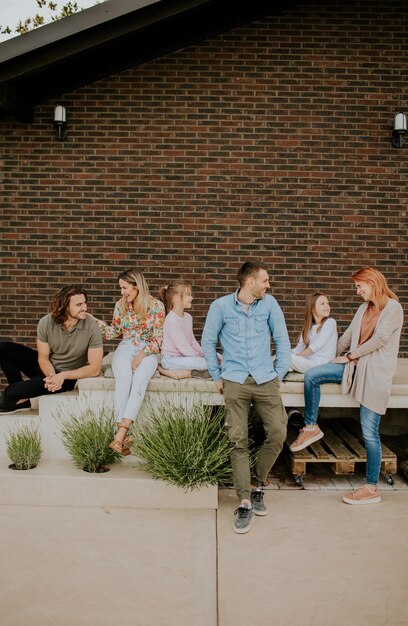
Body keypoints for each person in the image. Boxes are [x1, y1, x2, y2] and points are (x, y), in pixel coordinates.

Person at [290, 267, 403, 505]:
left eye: (359, 286)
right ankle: (311, 426)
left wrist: (350, 357)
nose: (358, 291)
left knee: (369, 432)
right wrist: (331, 356)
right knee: (314, 374)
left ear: (372, 283)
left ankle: (371, 488)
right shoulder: (363, 308)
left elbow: (380, 338)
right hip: (354, 367)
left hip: (374, 374)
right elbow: (347, 337)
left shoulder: (393, 308)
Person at [202, 261, 291, 534]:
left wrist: (279, 373)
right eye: (265, 280)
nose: (268, 285)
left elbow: (282, 339)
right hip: (234, 380)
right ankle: (244, 500)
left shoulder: (270, 304)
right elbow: (208, 341)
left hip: (265, 379)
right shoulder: (220, 307)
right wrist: (217, 375)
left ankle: (256, 483)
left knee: (278, 431)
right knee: (237, 438)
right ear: (250, 282)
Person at [91, 269, 165, 456]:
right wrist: (93, 321)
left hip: (148, 350)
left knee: (139, 379)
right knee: (123, 377)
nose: (122, 292)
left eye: (124, 288)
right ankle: (123, 435)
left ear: (136, 286)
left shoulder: (156, 306)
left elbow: (158, 340)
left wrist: (140, 356)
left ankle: (121, 433)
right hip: (125, 346)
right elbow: (112, 333)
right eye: (120, 288)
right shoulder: (120, 305)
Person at [0, 285, 103, 413]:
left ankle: (16, 395)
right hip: (47, 368)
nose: (85, 308)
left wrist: (62, 376)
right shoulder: (46, 322)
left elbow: (95, 368)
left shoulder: (92, 327)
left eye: (85, 303)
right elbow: (43, 357)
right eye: (79, 305)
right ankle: (20, 400)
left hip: (67, 378)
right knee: (3, 348)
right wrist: (52, 377)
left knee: (9, 393)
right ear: (65, 306)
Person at [158, 281, 211, 380]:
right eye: (188, 295)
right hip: (170, 360)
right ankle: (166, 371)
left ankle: (199, 370)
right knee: (206, 363)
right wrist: (200, 358)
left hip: (184, 356)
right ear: (177, 299)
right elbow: (184, 347)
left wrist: (206, 354)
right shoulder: (171, 320)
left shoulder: (188, 317)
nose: (192, 298)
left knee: (215, 356)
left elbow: (192, 342)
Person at [290, 292, 338, 374]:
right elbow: (298, 349)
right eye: (322, 304)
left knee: (287, 359)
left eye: (327, 304)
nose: (327, 306)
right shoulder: (309, 329)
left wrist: (297, 357)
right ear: (312, 308)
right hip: (309, 362)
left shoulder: (330, 322)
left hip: (321, 364)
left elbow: (316, 346)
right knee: (281, 357)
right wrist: (286, 353)